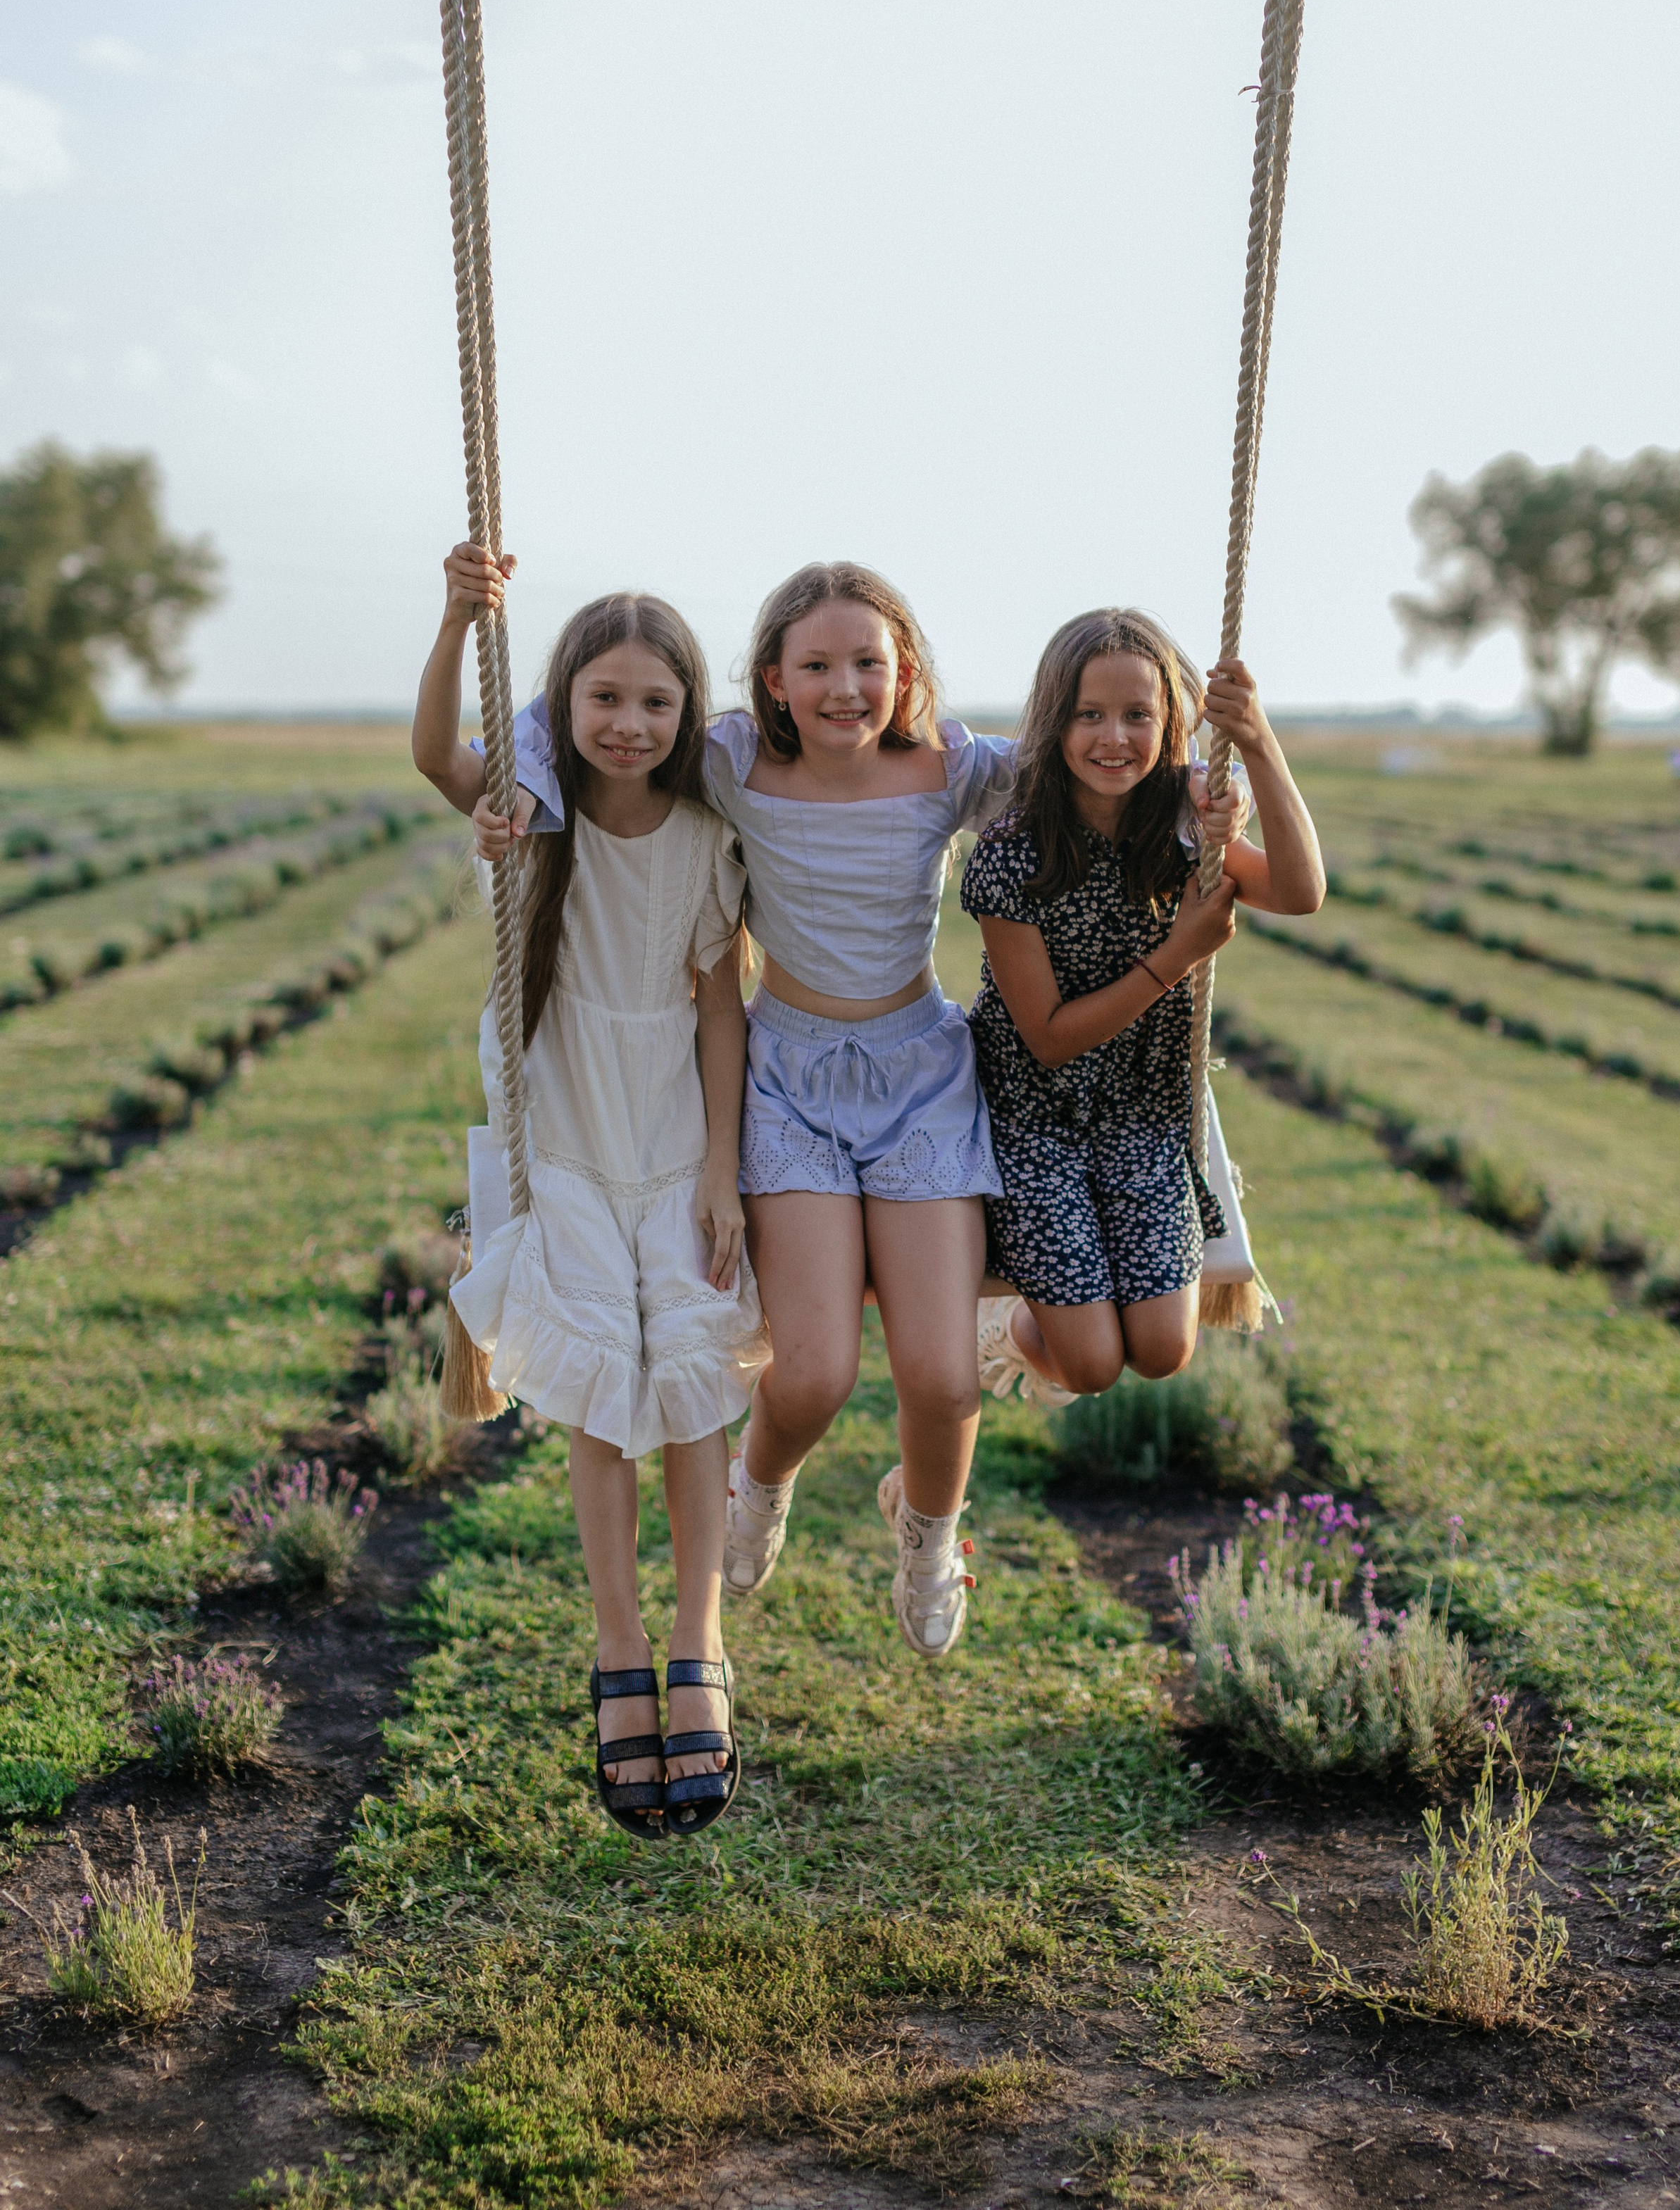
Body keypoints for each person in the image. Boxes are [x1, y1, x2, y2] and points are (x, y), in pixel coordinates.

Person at [471, 559, 1248, 1660]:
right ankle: (759, 1483)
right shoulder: (732, 761)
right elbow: (579, 718)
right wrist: (509, 779)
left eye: (868, 664)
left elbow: (1103, 757)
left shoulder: (952, 769)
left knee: (939, 1375)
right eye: (818, 666)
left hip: (920, 1078)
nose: (845, 688)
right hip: (790, 1082)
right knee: (815, 1373)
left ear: (906, 672)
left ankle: (928, 1537)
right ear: (772, 682)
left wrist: (1216, 777)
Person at [413, 548, 767, 1842]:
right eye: (604, 698)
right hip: (560, 1133)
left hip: (670, 1131)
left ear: (686, 712)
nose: (628, 723)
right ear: (561, 702)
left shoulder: (705, 837)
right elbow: (434, 758)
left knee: (695, 1375)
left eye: (655, 702)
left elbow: (722, 1009)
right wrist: (458, 619)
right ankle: (620, 1645)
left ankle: (697, 1638)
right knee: (606, 1397)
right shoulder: (528, 818)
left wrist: (723, 1170)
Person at [960, 610, 1324, 1406]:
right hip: (1033, 1125)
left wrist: (1258, 741)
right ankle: (1009, 1331)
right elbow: (1049, 1040)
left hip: (1142, 1115)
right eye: (1088, 714)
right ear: (1054, 721)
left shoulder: (1186, 829)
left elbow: (1301, 892)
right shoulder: (1011, 854)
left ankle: (1058, 1317)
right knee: (1090, 1367)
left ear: (1170, 724)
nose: (1114, 737)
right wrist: (1178, 954)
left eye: (1137, 715)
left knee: (1162, 1351)